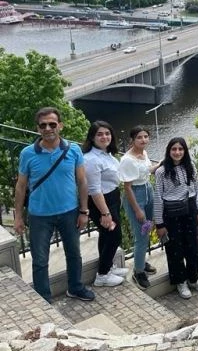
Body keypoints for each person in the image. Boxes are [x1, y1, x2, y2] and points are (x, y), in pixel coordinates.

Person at [14, 107, 95, 303]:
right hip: (39, 214)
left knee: (74, 254)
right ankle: (44, 297)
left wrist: (84, 210)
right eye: (43, 125)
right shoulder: (28, 153)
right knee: (40, 260)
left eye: (52, 124)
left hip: (69, 211)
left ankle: (75, 287)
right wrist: (17, 216)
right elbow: (21, 186)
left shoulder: (73, 150)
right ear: (38, 128)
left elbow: (82, 181)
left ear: (60, 125)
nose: (48, 128)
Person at [154, 137, 198, 299]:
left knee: (194, 248)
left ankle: (193, 278)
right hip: (171, 213)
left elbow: (195, 191)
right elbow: (158, 197)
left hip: (189, 209)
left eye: (180, 149)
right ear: (169, 151)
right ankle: (180, 281)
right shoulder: (162, 172)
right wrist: (159, 223)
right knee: (175, 249)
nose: (177, 152)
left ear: (185, 151)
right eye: (174, 149)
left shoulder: (190, 167)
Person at [82, 120, 127, 288]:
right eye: (99, 134)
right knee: (114, 236)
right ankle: (102, 275)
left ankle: (107, 267)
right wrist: (105, 213)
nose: (104, 137)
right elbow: (94, 189)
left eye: (107, 133)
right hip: (101, 201)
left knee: (106, 235)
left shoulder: (106, 154)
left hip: (112, 197)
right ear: (92, 137)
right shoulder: (91, 159)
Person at [119, 125, 159, 289]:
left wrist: (158, 165)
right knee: (141, 233)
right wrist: (137, 209)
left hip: (148, 190)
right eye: (139, 137)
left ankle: (140, 260)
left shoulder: (143, 153)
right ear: (132, 140)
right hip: (136, 195)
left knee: (147, 228)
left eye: (145, 137)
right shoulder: (127, 159)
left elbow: (146, 171)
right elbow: (127, 187)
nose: (143, 140)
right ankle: (138, 271)